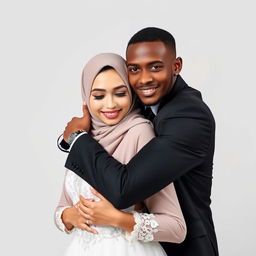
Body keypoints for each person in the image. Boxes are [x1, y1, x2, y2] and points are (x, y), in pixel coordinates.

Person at [60, 27, 219, 256]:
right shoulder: (142, 105)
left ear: (176, 66)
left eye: (155, 67)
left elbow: (125, 189)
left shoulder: (189, 115)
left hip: (182, 249)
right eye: (134, 69)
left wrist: (77, 139)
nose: (144, 79)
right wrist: (69, 140)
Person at [55, 53, 187, 256]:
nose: (110, 105)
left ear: (132, 93)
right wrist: (69, 216)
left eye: (120, 93)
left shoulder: (140, 133)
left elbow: (176, 227)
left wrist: (116, 219)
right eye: (98, 96)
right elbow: (62, 208)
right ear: (86, 98)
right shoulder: (82, 139)